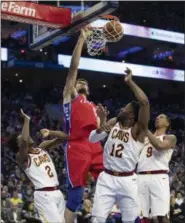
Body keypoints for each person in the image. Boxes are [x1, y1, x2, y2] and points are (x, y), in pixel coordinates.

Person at [89, 68, 150, 223]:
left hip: (127, 180)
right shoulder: (114, 122)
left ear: (131, 115)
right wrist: (101, 125)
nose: (121, 108)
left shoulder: (138, 130)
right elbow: (92, 139)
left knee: (130, 220)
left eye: (125, 108)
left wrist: (129, 82)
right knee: (97, 219)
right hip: (107, 177)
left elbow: (144, 102)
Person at [62, 29, 107, 223]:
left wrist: (105, 122)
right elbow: (73, 68)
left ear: (88, 89)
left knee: (111, 180)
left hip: (95, 146)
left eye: (84, 82)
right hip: (77, 145)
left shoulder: (95, 107)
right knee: (75, 196)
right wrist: (81, 39)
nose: (80, 82)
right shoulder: (71, 95)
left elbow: (99, 131)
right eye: (79, 81)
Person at [8, 109, 68, 223]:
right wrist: (27, 121)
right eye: (20, 138)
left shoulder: (42, 147)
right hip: (43, 194)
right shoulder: (21, 157)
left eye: (23, 135)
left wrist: (51, 132)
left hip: (57, 193)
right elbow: (25, 141)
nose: (25, 136)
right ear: (18, 145)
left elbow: (65, 137)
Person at [137, 114, 177, 223]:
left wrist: (146, 130)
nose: (157, 118)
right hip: (141, 177)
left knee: (162, 217)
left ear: (167, 123)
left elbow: (159, 146)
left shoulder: (170, 137)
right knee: (140, 216)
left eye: (161, 117)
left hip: (159, 177)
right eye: (157, 117)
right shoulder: (145, 138)